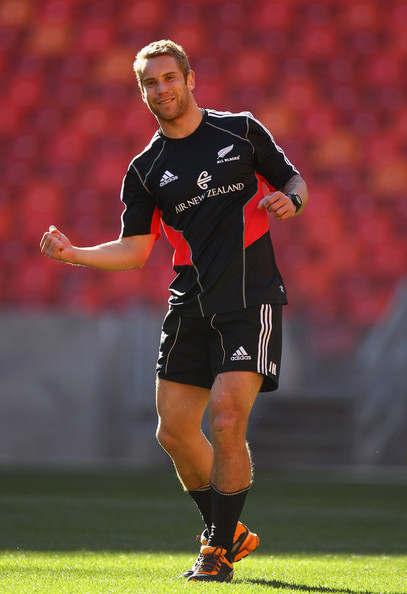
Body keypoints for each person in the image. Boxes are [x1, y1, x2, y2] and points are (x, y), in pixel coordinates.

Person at [40, 39, 308, 582]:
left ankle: (216, 550)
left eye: (169, 77)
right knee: (174, 433)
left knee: (227, 419)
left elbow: (292, 179)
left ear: (190, 79)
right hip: (189, 306)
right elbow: (134, 250)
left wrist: (292, 200)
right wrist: (74, 254)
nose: (161, 89)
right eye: (150, 83)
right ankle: (230, 531)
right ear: (142, 93)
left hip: (250, 299)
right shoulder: (144, 169)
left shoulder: (241, 130)